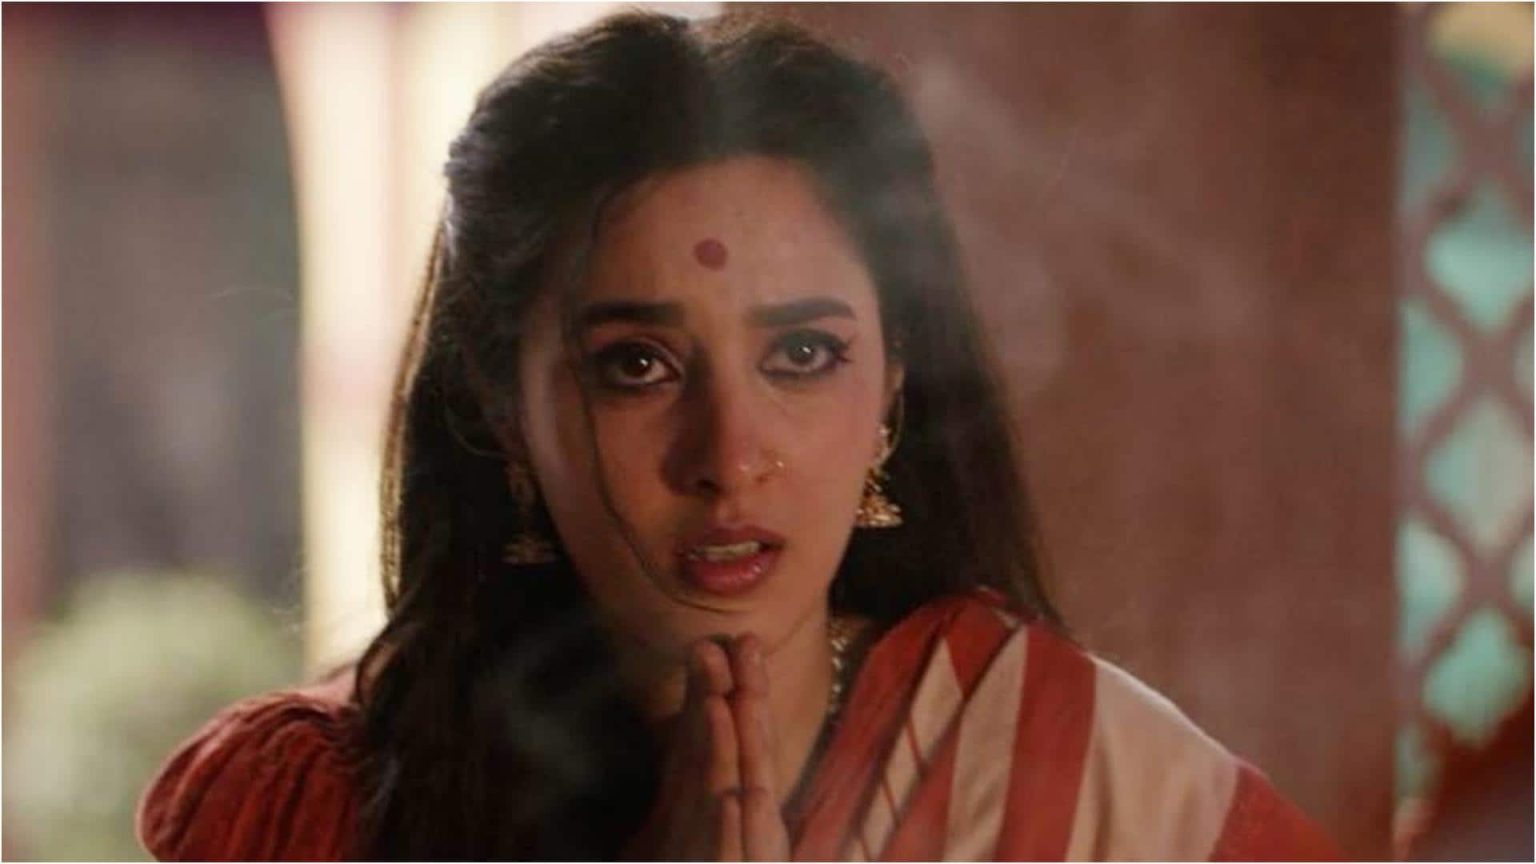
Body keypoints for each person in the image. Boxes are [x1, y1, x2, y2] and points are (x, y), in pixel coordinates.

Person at [137, 11, 1339, 861]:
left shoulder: (1094, 793)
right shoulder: (321, 814)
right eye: (638, 365)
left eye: (802, 356)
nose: (728, 456)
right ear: (505, 407)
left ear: (892, 388)